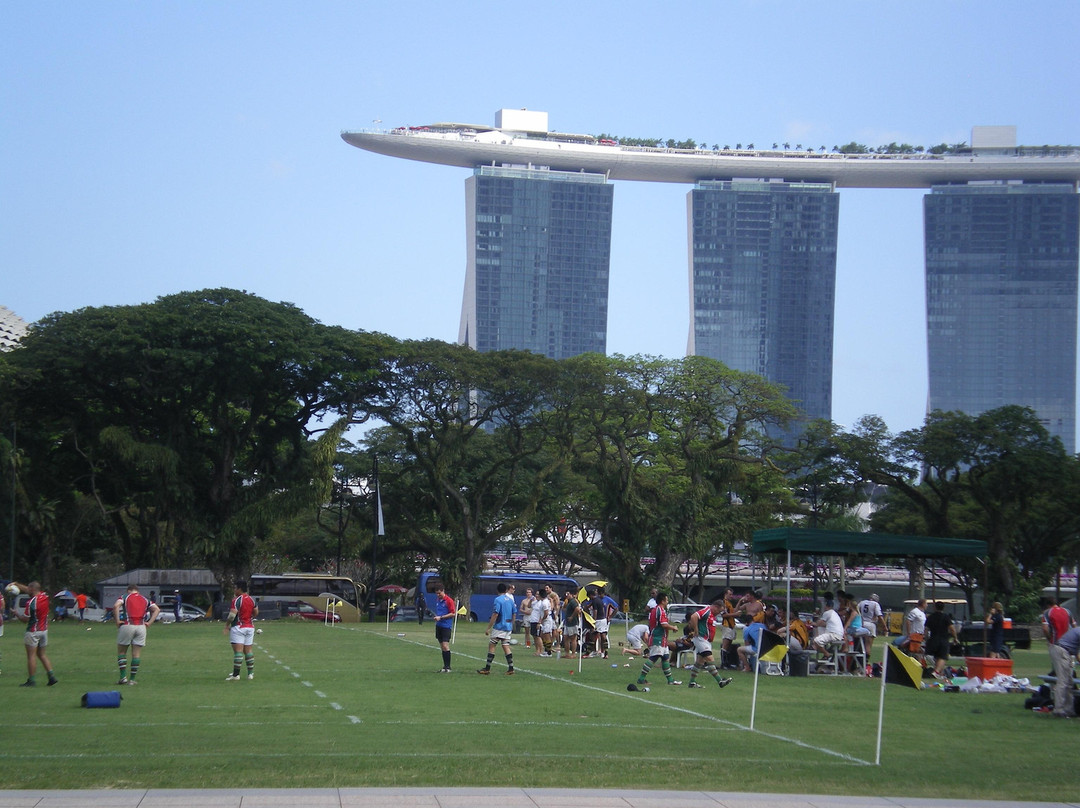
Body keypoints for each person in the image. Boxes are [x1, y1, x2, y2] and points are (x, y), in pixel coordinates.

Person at [630, 591, 681, 689]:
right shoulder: (659, 610)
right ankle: (641, 678)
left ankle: (670, 680)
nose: (667, 602)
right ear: (662, 601)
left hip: (662, 639)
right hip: (658, 638)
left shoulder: (659, 610)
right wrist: (673, 627)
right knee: (653, 658)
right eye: (666, 600)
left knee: (665, 658)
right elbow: (663, 624)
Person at [114, 583, 160, 684]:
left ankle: (123, 677)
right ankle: (132, 680)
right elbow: (157, 609)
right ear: (137, 591)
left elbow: (116, 606)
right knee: (136, 654)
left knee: (122, 652)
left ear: (128, 590)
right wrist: (149, 622)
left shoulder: (124, 597)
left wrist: (117, 620)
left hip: (127, 625)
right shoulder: (145, 599)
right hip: (141, 627)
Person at [685, 600, 733, 689]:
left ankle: (692, 682)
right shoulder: (706, 611)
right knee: (710, 659)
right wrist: (696, 630)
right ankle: (720, 681)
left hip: (706, 640)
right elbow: (694, 616)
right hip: (700, 639)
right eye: (718, 611)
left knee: (699, 662)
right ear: (715, 607)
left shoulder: (711, 615)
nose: (718, 613)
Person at [18, 582, 57, 686]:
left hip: (33, 631)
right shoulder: (44, 596)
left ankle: (31, 680)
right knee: (42, 654)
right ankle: (51, 676)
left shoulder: (31, 603)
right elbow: (30, 588)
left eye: (28, 589)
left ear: (32, 589)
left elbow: (25, 620)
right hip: (44, 630)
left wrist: (16, 613)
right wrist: (17, 584)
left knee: (31, 656)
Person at [477, 582, 515, 676]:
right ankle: (511, 668)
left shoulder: (498, 600)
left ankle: (487, 668)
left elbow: (495, 613)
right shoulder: (510, 600)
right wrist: (511, 624)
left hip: (499, 626)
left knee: (492, 645)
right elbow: (514, 613)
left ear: (497, 590)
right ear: (506, 590)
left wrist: (488, 628)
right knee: (505, 645)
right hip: (508, 626)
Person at [224, 580, 259, 681]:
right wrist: (250, 618)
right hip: (250, 627)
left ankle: (236, 675)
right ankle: (250, 674)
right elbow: (256, 612)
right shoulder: (251, 599)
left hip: (239, 627)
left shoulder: (237, 600)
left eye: (235, 588)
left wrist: (227, 626)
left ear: (239, 589)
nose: (234, 590)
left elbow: (231, 615)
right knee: (248, 651)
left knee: (238, 651)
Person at [1047, 624, 1079, 718]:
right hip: (1062, 652)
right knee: (1063, 682)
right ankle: (1059, 710)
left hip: (1064, 651)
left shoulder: (1076, 631)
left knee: (1069, 683)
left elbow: (1077, 653)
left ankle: (1069, 710)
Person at [924, 601, 959, 678]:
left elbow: (926, 629)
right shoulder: (946, 617)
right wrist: (955, 638)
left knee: (937, 657)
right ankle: (936, 672)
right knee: (943, 657)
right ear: (943, 608)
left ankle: (940, 673)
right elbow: (952, 629)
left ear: (935, 607)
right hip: (943, 639)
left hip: (933, 639)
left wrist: (926, 639)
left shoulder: (930, 617)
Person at [433, 584, 456, 673]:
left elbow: (453, 613)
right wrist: (437, 617)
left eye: (439, 593)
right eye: (437, 594)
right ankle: (445, 666)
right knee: (442, 646)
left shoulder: (449, 601)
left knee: (446, 646)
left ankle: (448, 667)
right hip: (439, 626)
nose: (438, 595)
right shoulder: (438, 600)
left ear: (443, 591)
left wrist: (441, 617)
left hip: (446, 626)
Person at [857, 594, 887, 658]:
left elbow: (856, 610)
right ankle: (866, 662)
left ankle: (860, 660)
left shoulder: (862, 602)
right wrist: (884, 626)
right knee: (868, 645)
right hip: (870, 624)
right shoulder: (875, 604)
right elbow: (879, 616)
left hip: (861, 624)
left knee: (861, 644)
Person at [561, 589, 581, 657]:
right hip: (567, 623)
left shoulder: (573, 601)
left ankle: (573, 654)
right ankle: (567, 653)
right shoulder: (568, 602)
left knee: (573, 638)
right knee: (566, 638)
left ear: (571, 594)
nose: (567, 596)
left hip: (572, 623)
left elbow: (577, 609)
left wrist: (572, 617)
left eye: (568, 594)